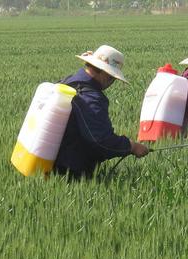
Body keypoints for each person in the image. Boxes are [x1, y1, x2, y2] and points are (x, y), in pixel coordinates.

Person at [53, 45, 149, 179]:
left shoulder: (68, 82)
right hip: (71, 173)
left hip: (52, 163)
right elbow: (101, 140)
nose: (113, 81)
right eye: (113, 77)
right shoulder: (92, 97)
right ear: (106, 74)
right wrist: (131, 146)